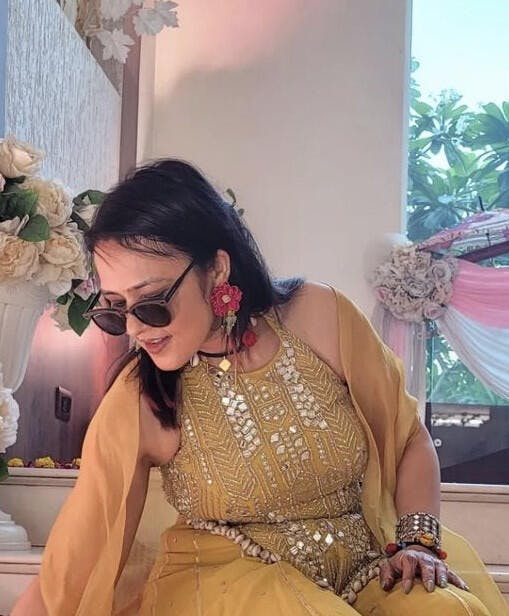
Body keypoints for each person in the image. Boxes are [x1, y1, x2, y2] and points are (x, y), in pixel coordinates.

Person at [13, 161, 507, 616]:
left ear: (217, 269)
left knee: (448, 611)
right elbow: (78, 555)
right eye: (116, 308)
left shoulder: (318, 317)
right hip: (228, 582)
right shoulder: (141, 399)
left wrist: (417, 542)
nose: (136, 328)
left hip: (365, 563)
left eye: (152, 302)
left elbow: (407, 438)